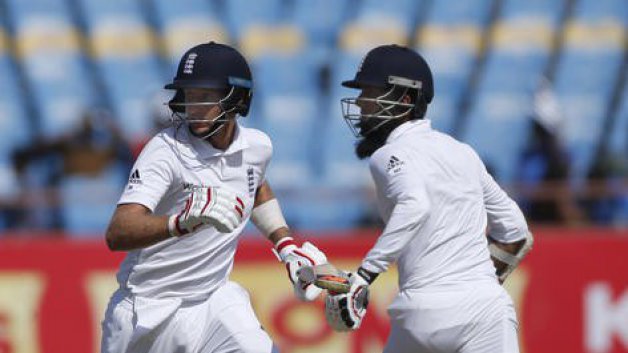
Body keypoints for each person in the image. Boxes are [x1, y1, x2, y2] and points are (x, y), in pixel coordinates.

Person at [101, 42, 327, 353]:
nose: (195, 108)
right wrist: (180, 223)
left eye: (206, 97)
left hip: (214, 299)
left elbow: (256, 184)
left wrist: (286, 246)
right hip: (148, 310)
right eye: (190, 97)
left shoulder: (257, 147)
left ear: (237, 98)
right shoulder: (164, 151)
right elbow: (118, 232)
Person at [324, 45, 533, 353]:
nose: (360, 102)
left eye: (370, 92)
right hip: (485, 311)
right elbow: (515, 231)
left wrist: (365, 274)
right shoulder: (463, 152)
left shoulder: (386, 156)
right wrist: (480, 284)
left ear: (405, 100)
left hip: (420, 313)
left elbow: (415, 205)